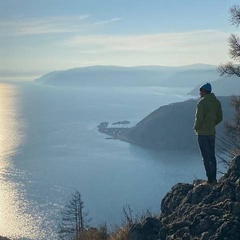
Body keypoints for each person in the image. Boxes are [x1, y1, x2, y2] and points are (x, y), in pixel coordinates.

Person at [193, 83, 222, 185]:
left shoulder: (201, 103)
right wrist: (211, 124)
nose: (199, 92)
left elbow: (199, 119)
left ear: (204, 91)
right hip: (211, 133)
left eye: (200, 90)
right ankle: (214, 178)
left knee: (205, 158)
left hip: (202, 134)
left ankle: (210, 180)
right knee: (212, 156)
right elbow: (220, 117)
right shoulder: (216, 102)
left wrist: (196, 128)